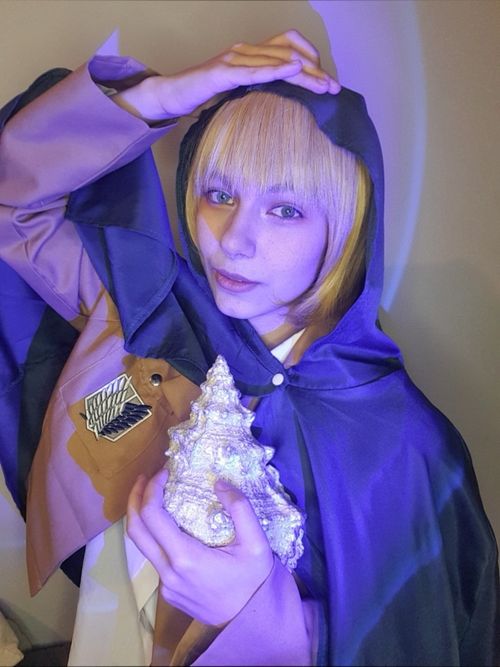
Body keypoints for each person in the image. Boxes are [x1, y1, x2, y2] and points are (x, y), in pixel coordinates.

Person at [0, 30, 498, 666]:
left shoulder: (400, 446)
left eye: (285, 210)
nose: (233, 239)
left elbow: (424, 640)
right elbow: (14, 199)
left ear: (346, 226)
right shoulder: (156, 310)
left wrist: (262, 616)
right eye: (219, 194)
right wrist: (166, 96)